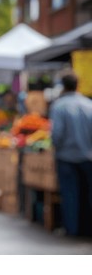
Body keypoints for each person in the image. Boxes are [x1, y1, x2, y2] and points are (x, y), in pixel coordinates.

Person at [50, 72, 92, 236]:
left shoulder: (59, 106)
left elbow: (57, 133)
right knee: (88, 193)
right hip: (88, 157)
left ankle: (72, 229)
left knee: (70, 194)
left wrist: (56, 147)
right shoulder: (89, 104)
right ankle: (88, 228)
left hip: (66, 157)